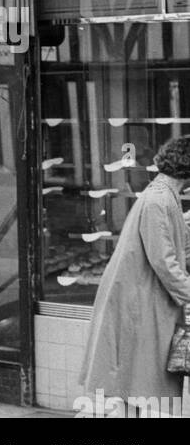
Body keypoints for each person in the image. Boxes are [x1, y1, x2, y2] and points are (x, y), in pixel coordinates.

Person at [79, 135, 190, 416]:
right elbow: (164, 260)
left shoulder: (160, 194)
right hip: (140, 302)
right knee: (134, 379)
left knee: (131, 383)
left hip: (139, 297)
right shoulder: (160, 199)